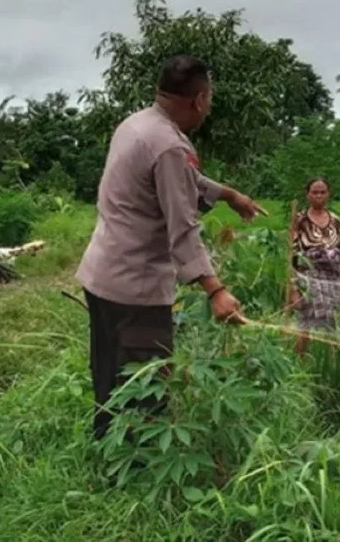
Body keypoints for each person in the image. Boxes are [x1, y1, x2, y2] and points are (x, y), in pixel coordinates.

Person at [75, 54, 267, 441]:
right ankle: (137, 472)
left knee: (110, 373)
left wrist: (228, 194)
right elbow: (182, 228)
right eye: (209, 99)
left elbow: (183, 178)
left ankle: (105, 450)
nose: (208, 107)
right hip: (137, 289)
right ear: (198, 99)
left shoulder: (137, 125)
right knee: (146, 386)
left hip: (102, 276)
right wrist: (216, 290)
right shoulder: (169, 146)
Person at [285, 177, 340, 355]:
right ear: (308, 195)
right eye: (315, 192)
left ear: (328, 194)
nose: (319, 195)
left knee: (332, 324)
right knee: (305, 324)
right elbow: (293, 257)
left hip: (332, 279)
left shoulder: (336, 220)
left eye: (322, 192)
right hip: (309, 279)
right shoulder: (301, 221)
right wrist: (293, 288)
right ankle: (300, 363)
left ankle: (333, 363)